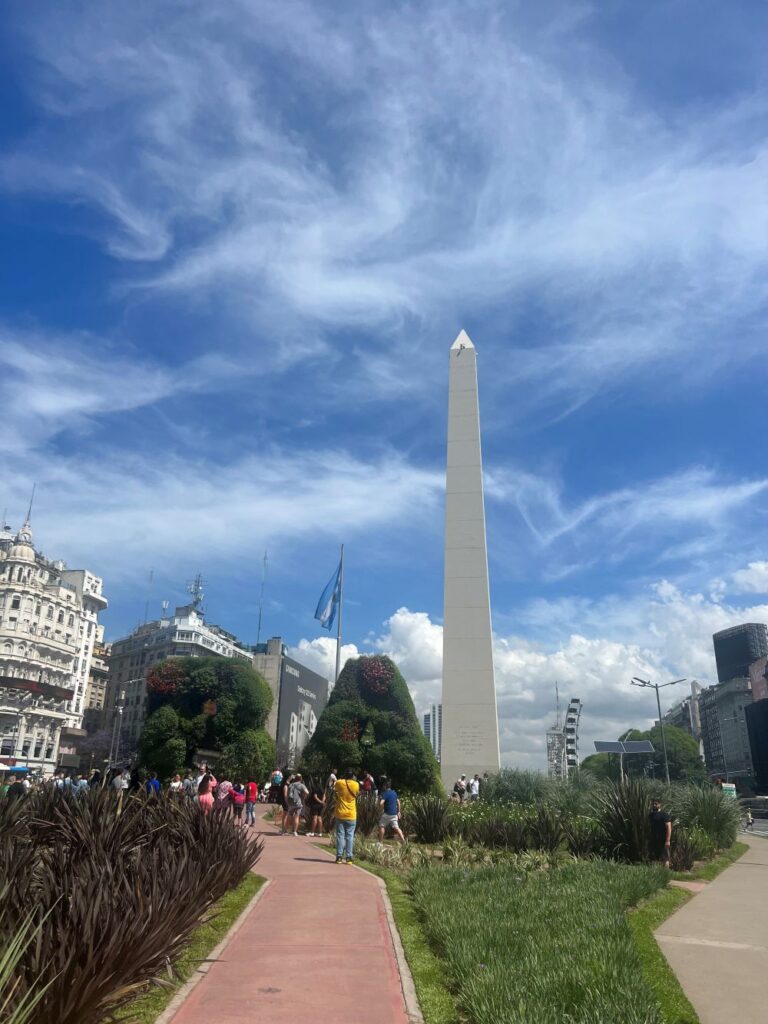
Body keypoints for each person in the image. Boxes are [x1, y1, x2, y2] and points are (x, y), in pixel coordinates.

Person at [334, 768, 359, 863]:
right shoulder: (356, 784)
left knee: (340, 835)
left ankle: (339, 857)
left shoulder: (339, 783)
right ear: (352, 776)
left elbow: (335, 788)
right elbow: (356, 793)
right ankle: (349, 857)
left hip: (340, 812)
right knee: (350, 836)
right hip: (351, 814)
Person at [377, 777, 405, 843]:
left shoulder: (385, 793)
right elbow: (398, 802)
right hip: (394, 814)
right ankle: (404, 841)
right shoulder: (394, 793)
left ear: (385, 786)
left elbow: (381, 803)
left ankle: (380, 842)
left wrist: (381, 810)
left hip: (387, 814)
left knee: (381, 826)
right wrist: (399, 812)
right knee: (396, 828)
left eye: (383, 785)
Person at [649, 796, 672, 868]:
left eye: (655, 804)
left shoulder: (664, 815)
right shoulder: (650, 815)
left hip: (663, 839)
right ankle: (656, 875)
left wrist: (667, 840)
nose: (654, 805)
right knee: (654, 858)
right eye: (653, 804)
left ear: (659, 804)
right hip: (653, 839)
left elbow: (669, 828)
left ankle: (666, 874)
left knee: (665, 858)